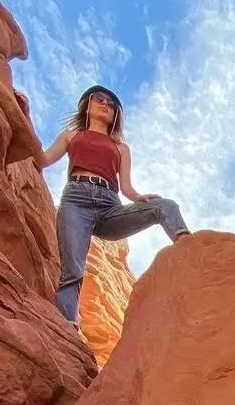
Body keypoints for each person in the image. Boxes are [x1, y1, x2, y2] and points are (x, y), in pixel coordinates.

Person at [37, 85, 191, 328]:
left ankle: (190, 248)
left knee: (165, 206)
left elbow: (126, 187)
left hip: (110, 205)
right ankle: (67, 328)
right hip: (76, 200)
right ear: (87, 105)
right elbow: (43, 159)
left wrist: (139, 197)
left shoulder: (120, 148)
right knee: (73, 271)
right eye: (99, 98)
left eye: (111, 103)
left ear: (115, 114)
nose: (105, 104)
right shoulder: (71, 136)